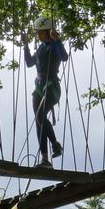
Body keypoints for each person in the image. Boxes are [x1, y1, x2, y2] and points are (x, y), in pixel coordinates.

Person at [23, 17, 68, 167]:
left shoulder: (54, 45)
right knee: (38, 120)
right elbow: (30, 63)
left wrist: (58, 40)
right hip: (39, 87)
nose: (38, 35)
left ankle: (55, 144)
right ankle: (45, 159)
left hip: (52, 86)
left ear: (48, 32)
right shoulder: (41, 48)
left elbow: (64, 57)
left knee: (40, 115)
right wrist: (25, 46)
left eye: (40, 32)